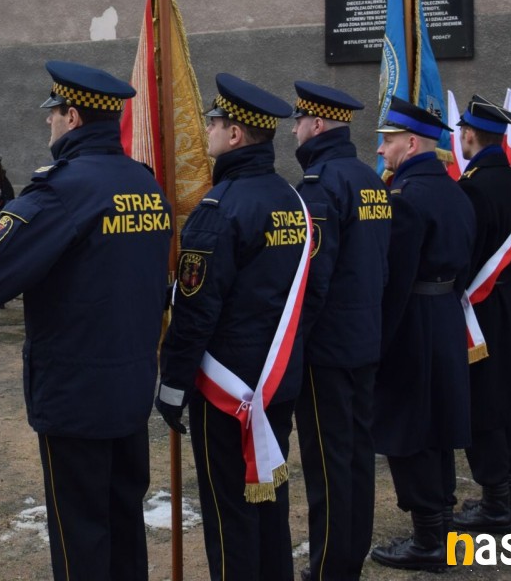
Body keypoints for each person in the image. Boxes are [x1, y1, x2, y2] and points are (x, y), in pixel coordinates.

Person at [0, 60, 171, 581]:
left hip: (76, 394)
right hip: (131, 387)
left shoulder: (58, 191)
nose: (48, 121)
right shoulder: (145, 185)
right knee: (124, 524)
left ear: (72, 117)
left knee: (81, 537)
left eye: (53, 113)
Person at [156, 74, 306, 581]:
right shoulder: (292, 200)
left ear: (236, 134)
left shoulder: (220, 209)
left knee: (229, 512)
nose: (208, 131)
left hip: (227, 389)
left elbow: (195, 310)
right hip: (277, 377)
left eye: (214, 123)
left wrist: (172, 385)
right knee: (270, 498)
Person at [289, 81, 391, 581]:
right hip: (364, 338)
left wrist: (295, 344)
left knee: (327, 462)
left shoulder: (320, 184)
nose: (294, 130)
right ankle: (350, 557)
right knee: (356, 455)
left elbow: (314, 279)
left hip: (326, 349)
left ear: (317, 124)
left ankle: (330, 567)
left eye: (299, 121)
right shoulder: (370, 179)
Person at [369, 98, 474, 572]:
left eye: (388, 141)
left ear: (411, 144)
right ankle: (441, 528)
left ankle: (430, 540)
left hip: (413, 321)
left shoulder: (406, 197)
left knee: (410, 429)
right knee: (436, 427)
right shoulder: (454, 190)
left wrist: (379, 342)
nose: (381, 149)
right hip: (446, 314)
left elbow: (395, 277)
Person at [449, 96, 511, 535]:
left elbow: (467, 253)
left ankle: (497, 504)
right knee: (504, 401)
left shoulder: (474, 186)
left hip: (477, 310)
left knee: (483, 404)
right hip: (507, 302)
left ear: (468, 134)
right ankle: (506, 495)